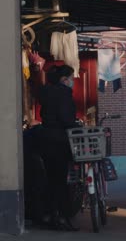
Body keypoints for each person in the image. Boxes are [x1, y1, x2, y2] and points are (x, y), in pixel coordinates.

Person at [39, 65, 79, 231]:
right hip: (59, 140)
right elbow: (66, 118)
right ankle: (62, 217)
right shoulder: (64, 93)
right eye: (71, 78)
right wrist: (74, 124)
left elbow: (43, 115)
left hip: (46, 139)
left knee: (50, 179)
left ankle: (48, 215)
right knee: (61, 181)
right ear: (64, 80)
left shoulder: (47, 92)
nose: (73, 81)